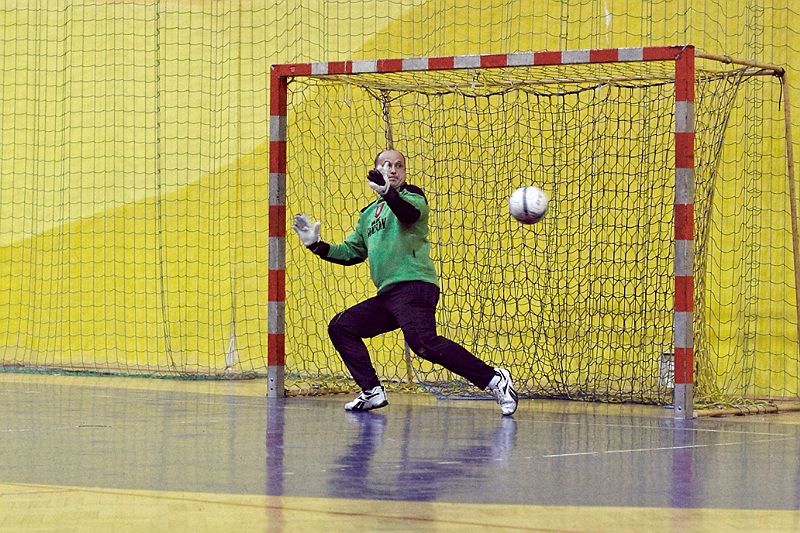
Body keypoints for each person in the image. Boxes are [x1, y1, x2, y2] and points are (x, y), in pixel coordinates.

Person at [291, 149, 518, 416]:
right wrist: (316, 245)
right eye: (387, 165)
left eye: (399, 165)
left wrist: (389, 193)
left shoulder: (413, 196)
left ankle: (494, 379)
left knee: (422, 341)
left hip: (415, 285)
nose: (393, 170)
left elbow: (408, 214)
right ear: (375, 171)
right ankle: (371, 390)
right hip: (388, 294)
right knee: (342, 327)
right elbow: (351, 252)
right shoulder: (368, 215)